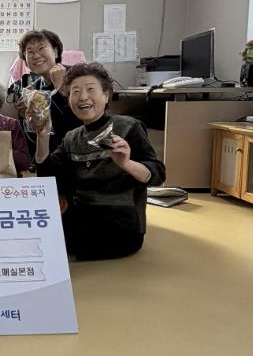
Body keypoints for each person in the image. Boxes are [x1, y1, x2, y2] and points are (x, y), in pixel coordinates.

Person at [33, 62, 165, 261]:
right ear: (69, 100)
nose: (83, 97)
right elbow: (49, 177)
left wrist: (126, 163)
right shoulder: (71, 137)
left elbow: (158, 174)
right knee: (34, 233)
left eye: (90, 89)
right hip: (81, 215)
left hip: (120, 223)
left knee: (54, 249)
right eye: (75, 92)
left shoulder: (128, 127)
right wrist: (42, 136)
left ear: (106, 95)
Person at [8, 29, 81, 157]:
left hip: (79, 155)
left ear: (55, 52)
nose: (36, 55)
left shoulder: (77, 77)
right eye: (30, 52)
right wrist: (26, 119)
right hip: (50, 158)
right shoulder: (33, 89)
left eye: (41, 48)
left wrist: (60, 90)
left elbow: (80, 125)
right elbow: (34, 142)